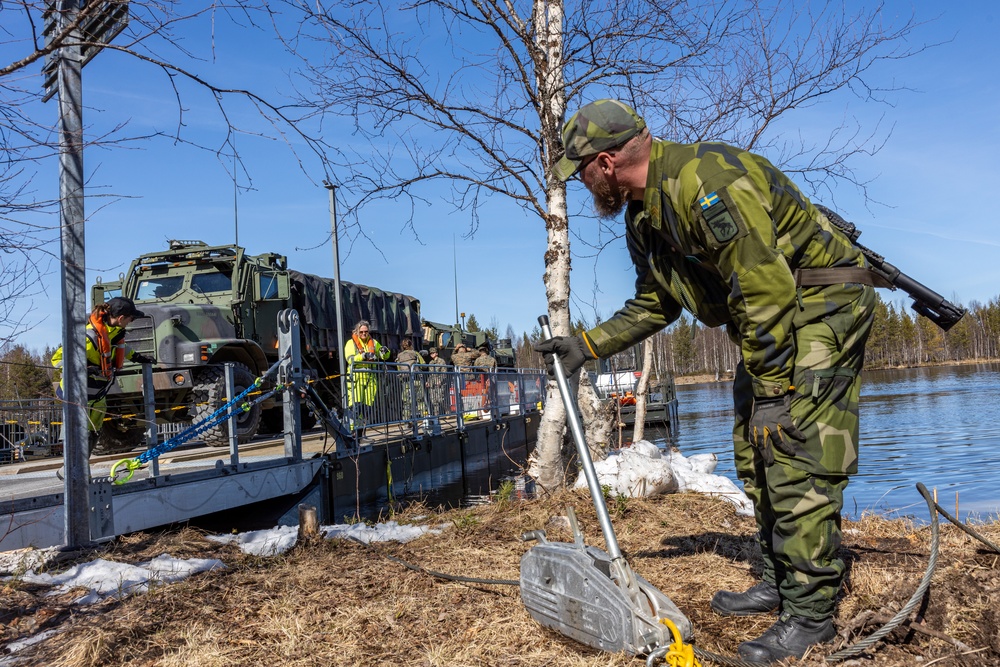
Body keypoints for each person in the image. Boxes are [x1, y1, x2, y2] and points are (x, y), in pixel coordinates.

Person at [535, 99, 877, 663]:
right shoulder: (644, 217)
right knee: (752, 443)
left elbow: (766, 289)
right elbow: (655, 303)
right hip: (774, 315)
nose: (584, 187)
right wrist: (586, 347)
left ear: (605, 163)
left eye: (582, 175)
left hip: (823, 301)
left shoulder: (705, 182)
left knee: (791, 444)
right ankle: (778, 578)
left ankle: (811, 614)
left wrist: (773, 394)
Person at [51, 297, 155, 457]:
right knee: (77, 434)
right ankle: (71, 472)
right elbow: (57, 359)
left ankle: (82, 471)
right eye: (131, 318)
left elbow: (121, 348)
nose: (131, 321)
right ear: (121, 318)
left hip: (97, 394)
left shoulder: (114, 333)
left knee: (92, 433)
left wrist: (138, 358)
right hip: (77, 395)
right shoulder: (87, 337)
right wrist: (83, 368)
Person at [343, 320, 391, 428]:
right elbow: (350, 359)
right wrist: (363, 356)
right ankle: (352, 434)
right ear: (357, 331)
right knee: (355, 407)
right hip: (357, 379)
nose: (364, 334)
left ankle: (360, 434)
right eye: (361, 332)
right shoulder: (351, 343)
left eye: (366, 331)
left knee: (366, 409)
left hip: (370, 379)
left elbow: (384, 356)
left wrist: (385, 351)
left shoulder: (373, 343)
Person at [394, 339, 425, 419]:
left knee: (406, 402)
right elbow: (423, 364)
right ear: (411, 345)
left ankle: (406, 420)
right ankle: (424, 419)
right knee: (420, 400)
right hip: (416, 379)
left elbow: (398, 368)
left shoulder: (399, 355)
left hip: (405, 380)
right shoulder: (415, 353)